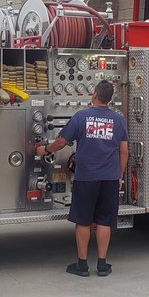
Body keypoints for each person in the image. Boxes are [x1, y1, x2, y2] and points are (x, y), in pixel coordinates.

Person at [35, 79, 128, 278]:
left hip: (86, 178)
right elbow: (124, 151)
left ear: (94, 95)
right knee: (104, 221)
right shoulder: (118, 120)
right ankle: (102, 265)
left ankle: (82, 265)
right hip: (110, 178)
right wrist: (119, 176)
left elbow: (61, 142)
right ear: (109, 99)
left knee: (83, 221)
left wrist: (45, 150)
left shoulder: (81, 117)